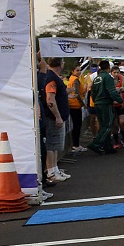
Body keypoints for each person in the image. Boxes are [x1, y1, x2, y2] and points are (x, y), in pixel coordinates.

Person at [39, 57, 71, 185]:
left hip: (58, 116)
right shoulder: (51, 78)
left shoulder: (54, 76)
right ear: (60, 64)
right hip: (52, 118)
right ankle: (51, 171)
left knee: (56, 144)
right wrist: (57, 116)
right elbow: (50, 100)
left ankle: (55, 169)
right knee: (51, 145)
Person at [88, 60, 122, 154]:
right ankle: (96, 143)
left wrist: (96, 101)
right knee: (107, 125)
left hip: (97, 103)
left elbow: (92, 92)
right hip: (105, 103)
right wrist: (120, 100)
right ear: (108, 68)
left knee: (103, 125)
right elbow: (112, 91)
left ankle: (107, 147)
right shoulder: (108, 77)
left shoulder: (97, 78)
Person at [65, 65, 86, 155]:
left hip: (72, 103)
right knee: (77, 125)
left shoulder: (71, 79)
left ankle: (75, 144)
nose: (79, 72)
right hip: (75, 104)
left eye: (80, 70)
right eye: (77, 70)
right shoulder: (75, 80)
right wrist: (82, 103)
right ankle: (76, 145)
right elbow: (77, 92)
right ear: (73, 71)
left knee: (76, 125)